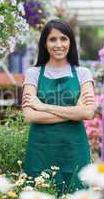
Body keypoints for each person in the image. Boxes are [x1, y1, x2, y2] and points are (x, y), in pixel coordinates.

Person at [22, 19, 95, 195]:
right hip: (41, 149)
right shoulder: (33, 74)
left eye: (63, 39)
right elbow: (30, 116)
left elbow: (88, 112)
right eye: (52, 39)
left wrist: (43, 106)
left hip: (74, 150)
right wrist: (74, 112)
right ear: (44, 44)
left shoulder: (83, 73)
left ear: (71, 42)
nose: (58, 44)